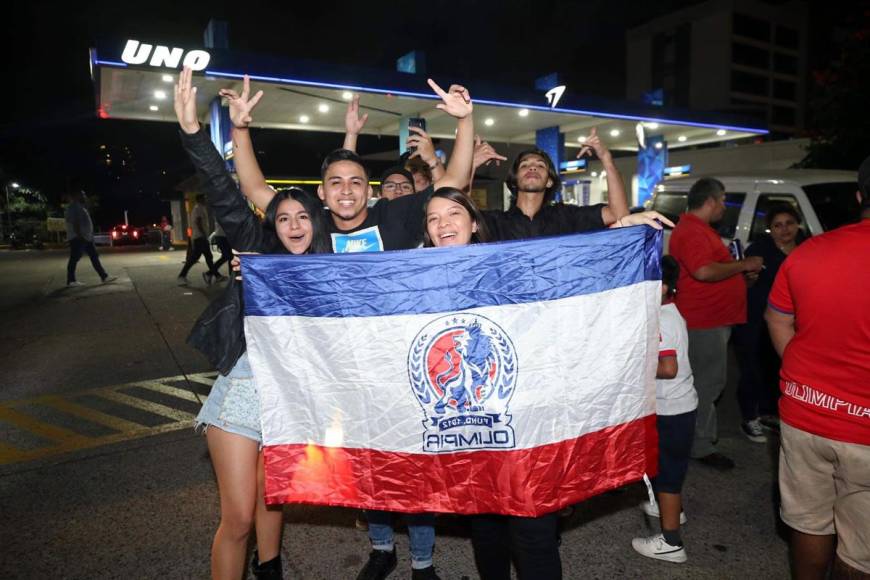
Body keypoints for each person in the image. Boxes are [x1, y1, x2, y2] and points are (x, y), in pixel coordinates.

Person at [471, 137, 672, 580]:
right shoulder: (494, 222)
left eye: (540, 164)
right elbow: (452, 219)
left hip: (558, 357)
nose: (531, 168)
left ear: (551, 179)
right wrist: (468, 162)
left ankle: (547, 514)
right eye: (524, 163)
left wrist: (605, 156)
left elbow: (620, 220)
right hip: (504, 358)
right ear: (512, 177)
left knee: (552, 447)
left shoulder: (567, 217)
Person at [174, 66, 333, 580]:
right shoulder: (256, 249)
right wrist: (196, 133)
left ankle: (270, 572)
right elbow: (225, 193)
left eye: (303, 216)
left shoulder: (335, 272)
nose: (293, 225)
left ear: (317, 222)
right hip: (242, 395)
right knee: (238, 517)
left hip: (292, 402)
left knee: (274, 499)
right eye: (283, 217)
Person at [765, 156, 870, 579]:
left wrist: (806, 379)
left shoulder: (812, 251)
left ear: (860, 196)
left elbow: (776, 317)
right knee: (860, 544)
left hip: (805, 414)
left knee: (808, 522)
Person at [225, 76, 474, 254]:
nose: (346, 190)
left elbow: (455, 181)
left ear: (368, 191)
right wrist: (239, 128)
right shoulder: (312, 222)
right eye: (335, 183)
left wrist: (464, 119)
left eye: (356, 182)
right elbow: (254, 188)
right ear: (322, 192)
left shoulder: (395, 214)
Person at [668, 177, 764, 470]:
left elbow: (712, 273)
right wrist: (743, 265)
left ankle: (697, 441)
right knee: (706, 385)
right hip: (703, 322)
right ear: (709, 201)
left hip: (712, 320)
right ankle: (699, 445)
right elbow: (704, 271)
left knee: (707, 383)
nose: (724, 207)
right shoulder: (692, 231)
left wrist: (740, 279)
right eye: (722, 201)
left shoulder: (699, 231)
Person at [632, 255, 697, 564]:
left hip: (671, 409)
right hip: (680, 406)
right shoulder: (669, 312)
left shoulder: (660, 318)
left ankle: (671, 542)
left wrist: (633, 364)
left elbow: (667, 367)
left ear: (664, 287)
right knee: (665, 468)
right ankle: (672, 510)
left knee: (669, 475)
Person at [733, 205, 804, 442]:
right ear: (770, 229)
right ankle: (748, 417)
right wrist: (748, 278)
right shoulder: (759, 250)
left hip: (792, 321)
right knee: (752, 367)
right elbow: (744, 285)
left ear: (798, 225)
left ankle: (768, 413)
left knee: (778, 367)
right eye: (778, 225)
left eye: (789, 223)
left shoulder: (807, 249)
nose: (785, 230)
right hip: (757, 319)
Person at [64, 190, 116, 286]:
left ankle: (104, 276)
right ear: (77, 196)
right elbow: (75, 223)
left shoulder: (80, 207)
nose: (85, 196)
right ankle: (71, 280)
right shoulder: (74, 207)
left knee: (94, 256)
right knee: (74, 258)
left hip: (86, 238)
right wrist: (80, 236)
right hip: (79, 238)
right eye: (83, 195)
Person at [177, 194, 224, 285]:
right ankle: (182, 276)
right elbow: (198, 222)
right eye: (204, 198)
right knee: (196, 258)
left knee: (207, 257)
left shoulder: (200, 208)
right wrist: (203, 235)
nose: (206, 199)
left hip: (200, 237)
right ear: (200, 199)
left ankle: (215, 276)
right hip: (200, 237)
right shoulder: (198, 208)